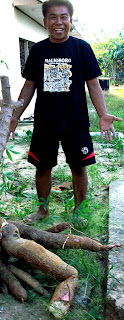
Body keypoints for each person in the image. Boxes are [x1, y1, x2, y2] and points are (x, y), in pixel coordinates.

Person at [9, 0, 122, 224]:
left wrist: (103, 114)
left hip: (75, 121)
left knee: (79, 167)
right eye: (53, 17)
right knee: (42, 167)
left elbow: (93, 85)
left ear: (71, 20)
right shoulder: (38, 50)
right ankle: (43, 210)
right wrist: (15, 115)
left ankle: (79, 211)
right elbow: (29, 86)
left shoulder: (82, 48)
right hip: (45, 122)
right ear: (45, 21)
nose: (58, 22)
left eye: (63, 17)